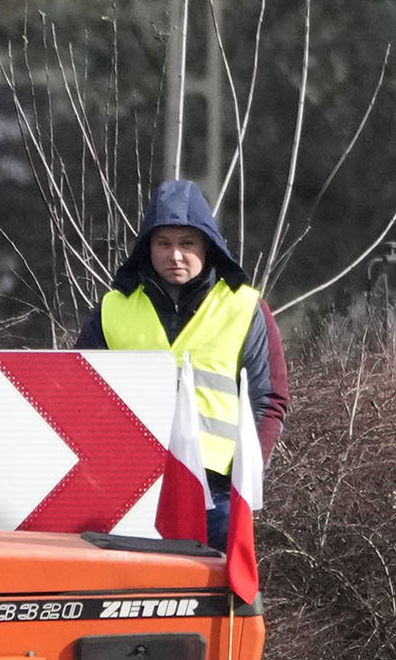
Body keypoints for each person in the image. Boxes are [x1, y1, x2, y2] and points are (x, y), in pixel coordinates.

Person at [79, 180, 283, 549]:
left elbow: (269, 400)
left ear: (208, 245)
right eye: (164, 243)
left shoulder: (245, 308)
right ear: (147, 248)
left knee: (218, 603)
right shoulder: (113, 309)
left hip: (216, 494)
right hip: (129, 491)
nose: (175, 256)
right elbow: (80, 398)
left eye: (187, 243)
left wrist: (247, 477)